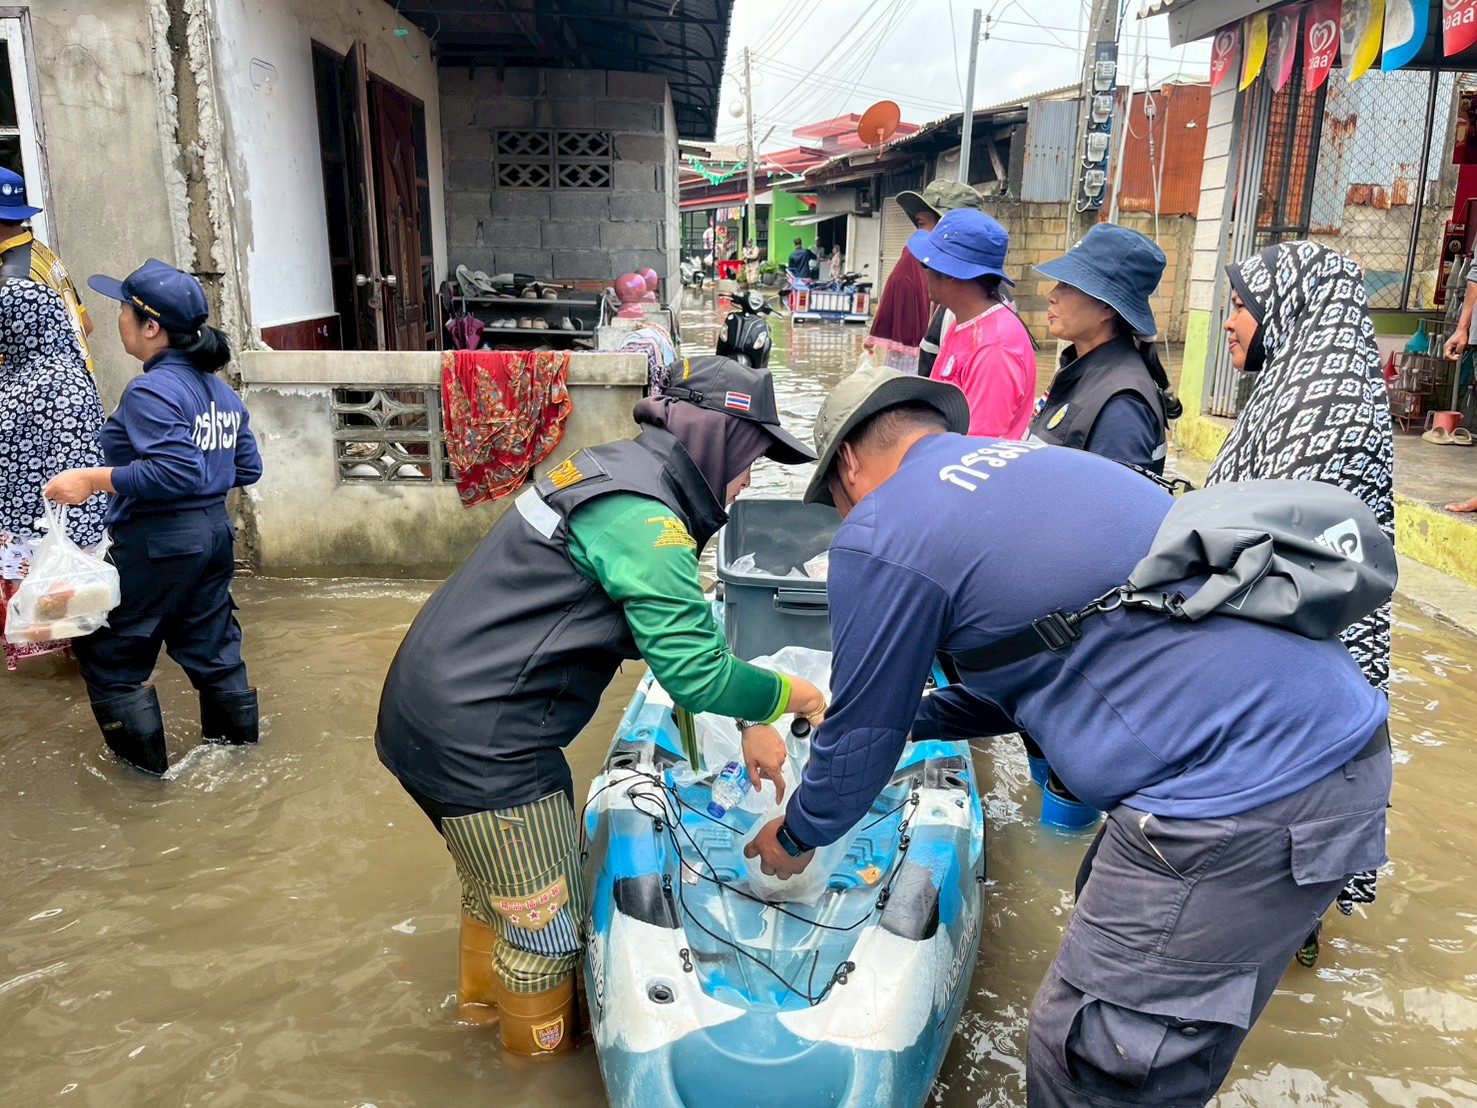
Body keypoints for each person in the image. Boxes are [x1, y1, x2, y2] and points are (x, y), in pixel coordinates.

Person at [743, 367, 1391, 1107]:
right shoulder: (1037, 466)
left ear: (849, 463)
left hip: (1233, 800)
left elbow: (857, 750)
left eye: (832, 496)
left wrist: (794, 837)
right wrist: (903, 716)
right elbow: (1030, 681)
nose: (841, 513)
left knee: (1093, 1065)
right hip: (1335, 760)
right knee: (1161, 1056)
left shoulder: (883, 527)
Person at [374, 355, 827, 1058]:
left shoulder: (605, 469)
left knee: (498, 896)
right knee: (548, 936)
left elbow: (677, 640)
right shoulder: (646, 518)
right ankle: (530, 1077)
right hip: (486, 748)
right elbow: (695, 673)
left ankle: (474, 1025)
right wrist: (794, 695)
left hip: (426, 714)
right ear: (716, 443)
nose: (742, 487)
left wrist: (750, 720)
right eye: (747, 462)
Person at [1208, 240, 1395, 960]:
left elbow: (1270, 549)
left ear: (1286, 309)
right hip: (1291, 662)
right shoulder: (1298, 383)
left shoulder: (1322, 397)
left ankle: (1286, 939)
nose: (1228, 322)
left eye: (1241, 307)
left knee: (1280, 828)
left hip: (1297, 657)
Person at [44, 259, 262, 776]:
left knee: (109, 654)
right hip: (212, 536)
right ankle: (236, 770)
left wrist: (92, 479)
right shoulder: (220, 392)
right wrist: (203, 480)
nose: (117, 319)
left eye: (123, 309)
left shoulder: (151, 389)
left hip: (160, 539)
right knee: (213, 649)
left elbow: (173, 472)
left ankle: (145, 793)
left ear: (150, 326)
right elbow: (247, 466)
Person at [0, 279, 107, 670]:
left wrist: (72, 549)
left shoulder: (38, 380)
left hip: (37, 542)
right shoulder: (40, 376)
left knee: (65, 645)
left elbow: (73, 463)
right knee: (67, 647)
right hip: (40, 538)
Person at [1031, 223, 1180, 474]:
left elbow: (1113, 508)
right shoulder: (1083, 368)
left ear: (1108, 308)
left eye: (1068, 285)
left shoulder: (1121, 405)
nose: (1052, 295)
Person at [909, 208, 1036, 438]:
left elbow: (977, 446)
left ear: (949, 273)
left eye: (926, 265)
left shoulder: (993, 349)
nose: (924, 273)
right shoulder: (963, 321)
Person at [0, 168, 94, 372]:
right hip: (73, 389)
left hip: (37, 400)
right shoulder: (40, 252)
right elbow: (85, 324)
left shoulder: (12, 280)